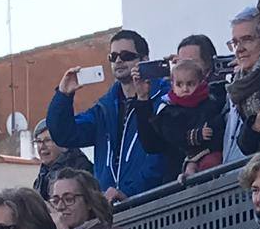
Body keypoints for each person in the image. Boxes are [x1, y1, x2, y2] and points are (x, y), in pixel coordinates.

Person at [49, 30, 173, 200]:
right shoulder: (104, 108)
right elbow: (64, 135)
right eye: (113, 57)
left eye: (126, 55)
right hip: (110, 205)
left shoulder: (165, 98)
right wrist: (63, 95)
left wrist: (129, 193)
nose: (119, 61)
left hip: (152, 203)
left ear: (144, 60)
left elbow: (161, 157)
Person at [136, 54, 227, 177]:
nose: (185, 89)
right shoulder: (168, 110)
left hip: (215, 161)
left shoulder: (214, 99)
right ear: (172, 84)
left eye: (190, 83)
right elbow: (152, 144)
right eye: (179, 84)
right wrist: (142, 98)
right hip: (178, 175)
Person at [223, 6, 260, 163]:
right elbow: (244, 145)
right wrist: (253, 127)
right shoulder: (238, 85)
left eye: (247, 39)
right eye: (235, 43)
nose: (239, 49)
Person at [30, 123, 92, 204]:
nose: (42, 146)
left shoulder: (79, 170)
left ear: (63, 142)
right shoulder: (42, 175)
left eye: (48, 140)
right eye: (38, 141)